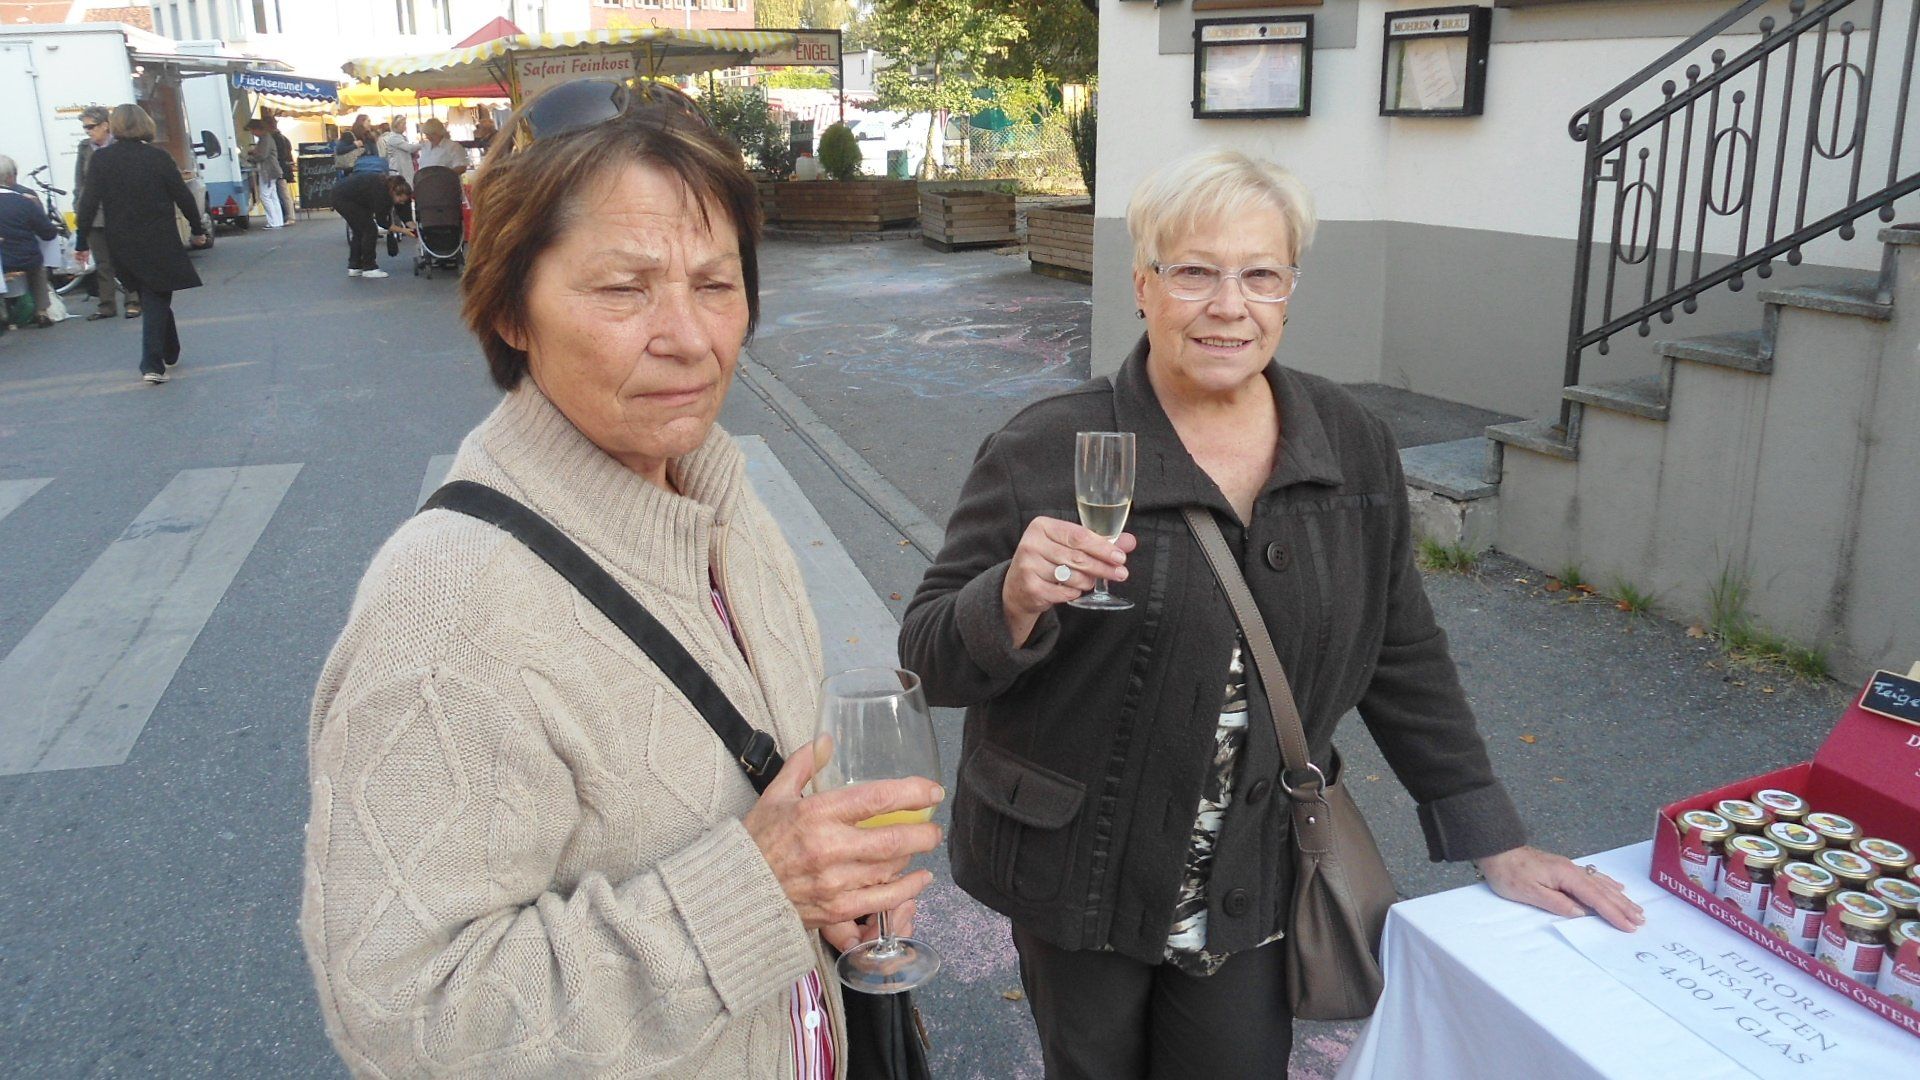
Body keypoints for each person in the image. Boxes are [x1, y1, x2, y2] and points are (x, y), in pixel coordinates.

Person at [899, 147, 1646, 1080]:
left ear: (1289, 290)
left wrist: (1492, 837)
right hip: (1078, 874)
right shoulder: (1045, 445)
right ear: (1143, 285)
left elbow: (1401, 649)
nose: (1230, 305)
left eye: (1260, 274)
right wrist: (1009, 598)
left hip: (1252, 873)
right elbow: (927, 657)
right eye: (1195, 272)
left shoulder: (1348, 442)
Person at [300, 78, 942, 1077]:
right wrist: (756, 895)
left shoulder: (722, 499)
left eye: (716, 285)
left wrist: (830, 886)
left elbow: (767, 790)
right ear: (511, 312)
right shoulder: (444, 614)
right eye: (623, 289)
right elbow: (405, 1020)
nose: (689, 337)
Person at [73, 104, 209, 384]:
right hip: (159, 238)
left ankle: (170, 349)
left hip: (120, 241)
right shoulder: (158, 157)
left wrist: (81, 241)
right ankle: (152, 363)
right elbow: (182, 195)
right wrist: (198, 229)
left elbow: (88, 203)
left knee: (153, 294)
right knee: (157, 294)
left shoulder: (102, 159)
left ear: (114, 126)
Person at [74, 105, 131, 319]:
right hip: (94, 213)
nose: (88, 131)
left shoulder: (120, 146)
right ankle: (107, 305)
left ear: (106, 125)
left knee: (125, 259)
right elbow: (80, 182)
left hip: (118, 212)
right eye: (85, 127)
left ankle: (133, 300)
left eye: (91, 126)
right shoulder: (84, 148)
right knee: (102, 262)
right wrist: (78, 207)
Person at [0, 154, 60, 328]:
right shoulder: (25, 202)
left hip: (3, 261)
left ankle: (4, 313)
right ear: (10, 177)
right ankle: (42, 311)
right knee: (37, 266)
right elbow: (48, 233)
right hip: (26, 257)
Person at [329, 171, 412, 279]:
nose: (401, 203)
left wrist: (411, 225)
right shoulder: (382, 194)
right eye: (400, 200)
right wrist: (404, 230)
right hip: (344, 199)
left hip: (343, 194)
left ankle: (355, 266)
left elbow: (404, 211)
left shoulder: (390, 188)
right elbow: (382, 222)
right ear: (393, 192)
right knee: (370, 230)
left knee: (359, 230)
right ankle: (369, 267)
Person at [243, 119, 285, 229]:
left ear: (258, 129)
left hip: (268, 171)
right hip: (272, 170)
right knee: (273, 196)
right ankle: (278, 221)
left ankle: (273, 222)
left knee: (265, 196)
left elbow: (262, 155)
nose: (252, 133)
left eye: (252, 130)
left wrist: (250, 158)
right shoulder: (266, 138)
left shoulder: (265, 139)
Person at [265, 113, 295, 223]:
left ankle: (289, 216)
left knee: (282, 193)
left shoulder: (274, 139)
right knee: (282, 193)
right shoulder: (283, 138)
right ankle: (287, 216)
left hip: (279, 168)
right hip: (284, 168)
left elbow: (279, 155)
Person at [377, 114, 421, 182]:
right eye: (403, 124)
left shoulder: (401, 137)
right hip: (399, 168)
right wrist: (422, 144)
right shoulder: (394, 138)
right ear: (396, 125)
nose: (405, 126)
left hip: (404, 167)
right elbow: (410, 148)